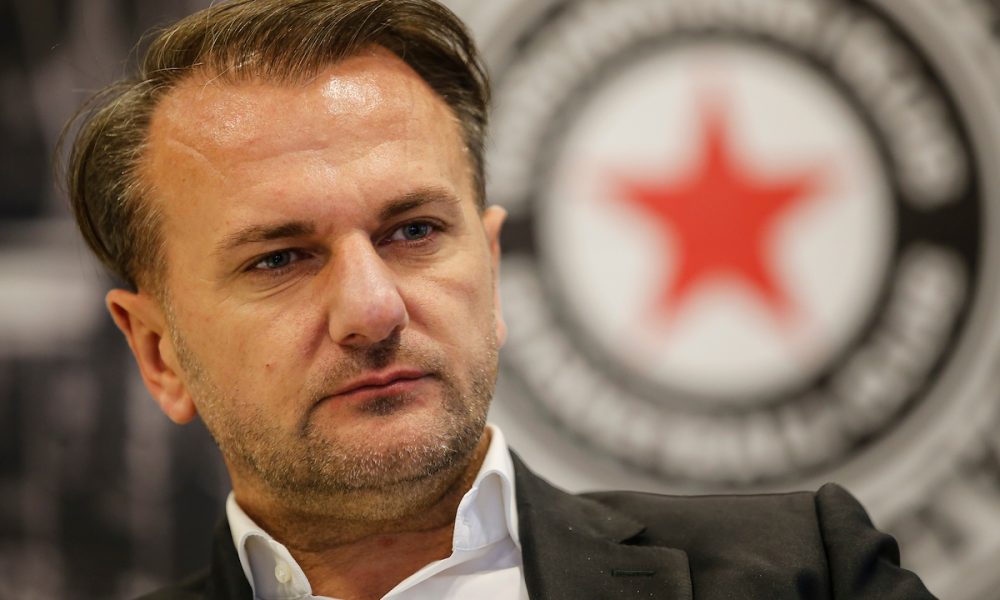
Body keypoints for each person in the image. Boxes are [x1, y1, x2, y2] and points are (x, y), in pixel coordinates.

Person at [62, 0, 936, 598]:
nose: (373, 310)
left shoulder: (805, 573)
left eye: (413, 231)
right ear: (158, 353)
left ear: (491, 264)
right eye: (281, 258)